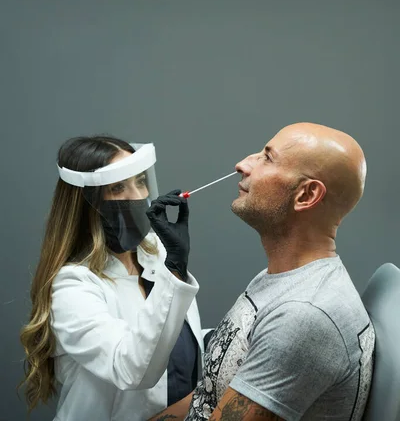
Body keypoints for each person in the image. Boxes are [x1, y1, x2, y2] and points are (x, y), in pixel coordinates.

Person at [151, 123, 375, 421]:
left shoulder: (303, 316)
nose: (243, 165)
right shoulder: (284, 278)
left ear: (306, 195)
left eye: (267, 158)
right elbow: (211, 392)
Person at [20, 135, 207, 421]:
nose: (137, 196)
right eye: (118, 187)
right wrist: (176, 270)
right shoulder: (73, 286)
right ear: (87, 203)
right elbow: (132, 369)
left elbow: (174, 349)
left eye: (140, 181)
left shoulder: (156, 256)